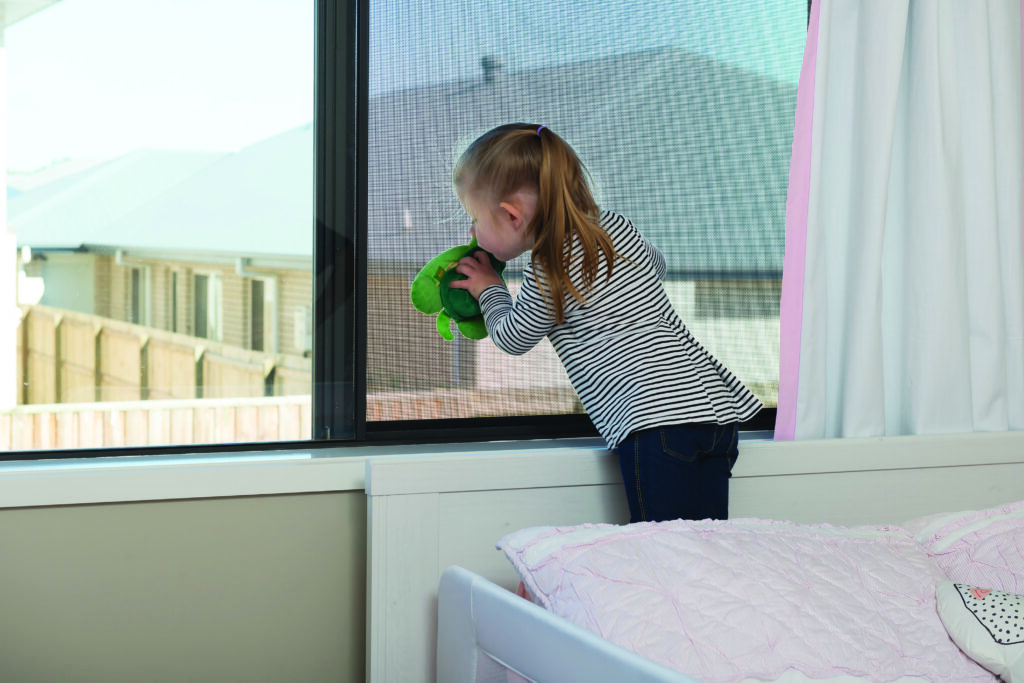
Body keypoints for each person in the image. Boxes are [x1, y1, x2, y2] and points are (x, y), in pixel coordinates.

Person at [449, 123, 763, 523]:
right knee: (706, 544)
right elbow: (657, 265)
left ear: (512, 215)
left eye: (475, 218)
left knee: (664, 547)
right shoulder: (614, 225)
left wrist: (489, 288)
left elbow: (513, 336)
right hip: (714, 412)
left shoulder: (548, 264)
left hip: (655, 421)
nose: (472, 231)